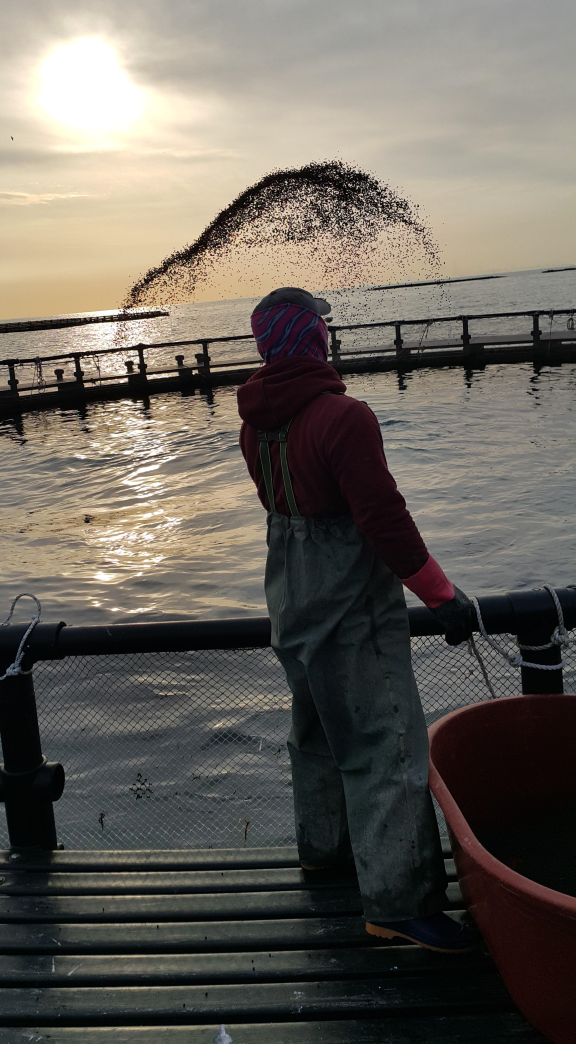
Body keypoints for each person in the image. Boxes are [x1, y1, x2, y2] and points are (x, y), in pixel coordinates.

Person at [237, 286, 478, 953]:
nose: (328, 337)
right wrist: (440, 595)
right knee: (386, 742)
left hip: (289, 593)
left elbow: (278, 502)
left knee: (314, 729)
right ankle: (399, 904)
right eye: (321, 327)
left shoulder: (254, 423)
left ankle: (326, 853)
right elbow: (382, 520)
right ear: (309, 337)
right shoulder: (344, 417)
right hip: (348, 600)